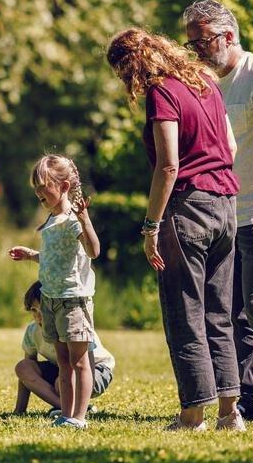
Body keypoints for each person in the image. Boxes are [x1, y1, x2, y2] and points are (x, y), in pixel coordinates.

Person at [105, 27, 245, 432]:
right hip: (225, 205)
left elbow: (168, 165)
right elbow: (232, 149)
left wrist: (151, 225)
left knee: (186, 313)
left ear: (131, 65)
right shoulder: (205, 80)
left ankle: (192, 415)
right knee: (219, 314)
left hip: (188, 208)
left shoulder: (162, 92)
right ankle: (230, 413)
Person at [182, 0, 253, 423]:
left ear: (228, 36)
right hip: (228, 211)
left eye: (202, 41)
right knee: (231, 310)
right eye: (190, 42)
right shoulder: (207, 82)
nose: (195, 50)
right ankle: (248, 394)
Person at [8, 154, 101, 429]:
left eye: (43, 185)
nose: (38, 191)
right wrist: (32, 255)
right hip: (50, 299)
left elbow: (93, 251)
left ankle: (79, 417)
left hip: (73, 300)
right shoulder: (51, 221)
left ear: (64, 186)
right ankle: (67, 412)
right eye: (35, 187)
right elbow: (53, 259)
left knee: (80, 361)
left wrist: (85, 221)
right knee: (63, 362)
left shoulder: (74, 219)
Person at [13, 281, 115, 417]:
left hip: (95, 369)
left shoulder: (74, 326)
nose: (38, 316)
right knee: (23, 367)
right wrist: (20, 409)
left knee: (61, 383)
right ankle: (63, 406)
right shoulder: (32, 331)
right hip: (63, 371)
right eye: (33, 310)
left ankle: (75, 410)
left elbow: (85, 365)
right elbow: (27, 370)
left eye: (42, 309)